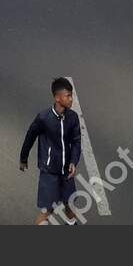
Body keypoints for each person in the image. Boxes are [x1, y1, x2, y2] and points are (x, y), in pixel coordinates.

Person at [19, 77, 82, 225]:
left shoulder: (73, 118)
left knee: (69, 203)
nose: (71, 99)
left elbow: (76, 142)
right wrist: (23, 158)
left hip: (66, 171)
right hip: (49, 172)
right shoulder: (44, 118)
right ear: (57, 98)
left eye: (71, 95)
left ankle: (71, 223)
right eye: (68, 96)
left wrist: (73, 161)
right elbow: (30, 136)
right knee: (47, 210)